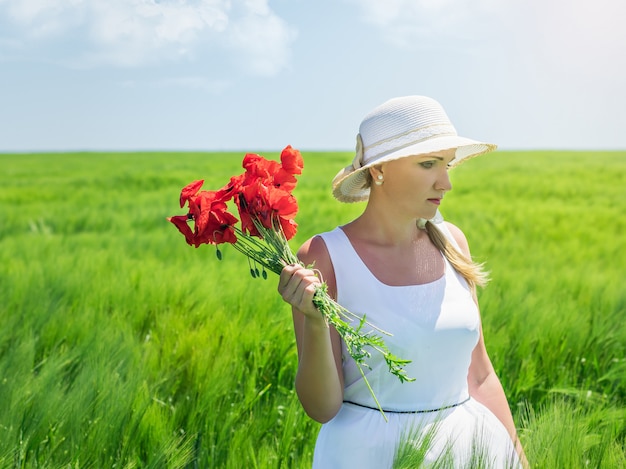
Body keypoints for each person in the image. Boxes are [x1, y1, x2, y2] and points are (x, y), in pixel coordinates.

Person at [278, 95, 527, 468]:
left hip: (472, 451)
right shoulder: (324, 257)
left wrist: (518, 458)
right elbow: (321, 407)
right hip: (367, 456)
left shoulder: (452, 242)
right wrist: (315, 322)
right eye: (428, 164)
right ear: (379, 170)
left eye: (447, 165)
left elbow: (481, 374)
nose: (446, 183)